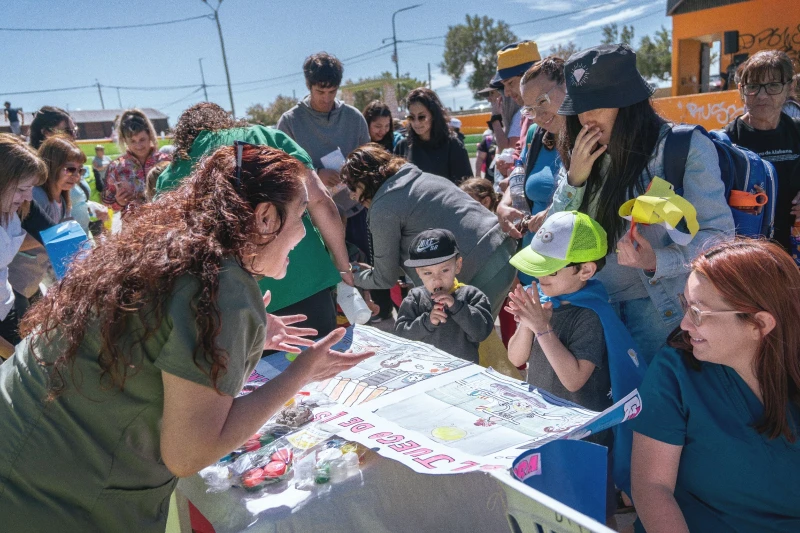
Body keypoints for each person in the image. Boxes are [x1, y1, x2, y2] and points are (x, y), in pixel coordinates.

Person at [0, 144, 375, 532]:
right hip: (51, 501)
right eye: (301, 216)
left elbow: (154, 340)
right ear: (265, 217)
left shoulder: (174, 245)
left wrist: (245, 339)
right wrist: (302, 373)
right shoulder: (224, 287)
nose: (303, 232)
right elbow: (189, 453)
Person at [550, 44, 734, 364]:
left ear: (630, 103)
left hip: (660, 315)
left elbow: (719, 237)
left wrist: (657, 260)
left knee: (655, 409)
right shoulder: (580, 158)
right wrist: (574, 181)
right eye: (580, 107)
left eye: (599, 105)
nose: (587, 117)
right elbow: (553, 242)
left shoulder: (683, 147)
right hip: (593, 310)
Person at [630, 240, 800, 533]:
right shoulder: (677, 369)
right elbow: (652, 486)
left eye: (698, 312)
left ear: (759, 324)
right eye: (686, 305)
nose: (684, 324)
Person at [156, 102, 350, 338]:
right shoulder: (262, 136)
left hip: (230, 307)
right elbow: (319, 200)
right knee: (319, 368)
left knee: (261, 376)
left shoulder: (170, 175)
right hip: (305, 284)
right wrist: (343, 266)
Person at [505, 211, 618, 522]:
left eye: (550, 271)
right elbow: (516, 358)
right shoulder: (545, 301)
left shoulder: (590, 314)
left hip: (584, 440)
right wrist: (528, 323)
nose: (540, 278)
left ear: (585, 269)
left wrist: (542, 328)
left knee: (590, 516)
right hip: (546, 430)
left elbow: (573, 380)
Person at [342, 143, 516, 317]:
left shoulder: (382, 206)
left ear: (365, 180)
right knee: (478, 336)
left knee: (458, 339)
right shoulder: (422, 177)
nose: (352, 196)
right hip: (502, 250)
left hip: (476, 269)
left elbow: (384, 278)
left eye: (352, 187)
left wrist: (352, 274)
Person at [277, 52, 371, 256]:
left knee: (362, 274)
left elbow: (369, 163)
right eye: (320, 91)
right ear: (308, 86)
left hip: (355, 213)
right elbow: (282, 171)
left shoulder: (354, 118)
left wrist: (353, 174)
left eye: (332, 91)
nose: (327, 98)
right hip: (311, 221)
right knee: (327, 284)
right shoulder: (290, 122)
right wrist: (317, 174)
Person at [497, 56, 566, 287]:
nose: (539, 114)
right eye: (530, 109)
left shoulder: (591, 137)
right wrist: (504, 205)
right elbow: (520, 171)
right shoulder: (537, 134)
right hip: (531, 268)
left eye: (543, 101)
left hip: (569, 276)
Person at [723, 50, 800, 252]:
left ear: (789, 87)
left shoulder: (798, 131)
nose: (762, 95)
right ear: (741, 90)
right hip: (752, 258)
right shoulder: (727, 142)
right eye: (753, 87)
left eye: (773, 85)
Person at [395, 229, 494, 363]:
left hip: (462, 372)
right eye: (428, 273)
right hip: (424, 369)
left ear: (457, 265)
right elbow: (400, 336)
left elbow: (481, 333)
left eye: (444, 270)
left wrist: (457, 307)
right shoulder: (415, 298)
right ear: (418, 272)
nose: (437, 279)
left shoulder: (472, 295)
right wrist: (426, 322)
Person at [0, 135, 46, 359]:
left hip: (6, 308)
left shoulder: (10, 212)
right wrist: (12, 357)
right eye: (21, 189)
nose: (28, 196)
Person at [394, 88, 472, 184]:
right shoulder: (402, 147)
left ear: (434, 115)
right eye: (411, 117)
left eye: (422, 117)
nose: (416, 122)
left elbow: (466, 187)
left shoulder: (453, 146)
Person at [102, 109, 171, 212]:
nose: (138, 145)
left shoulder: (167, 161)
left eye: (142, 139)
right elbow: (106, 205)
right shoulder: (116, 167)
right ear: (125, 140)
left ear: (150, 136)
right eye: (132, 141)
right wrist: (119, 202)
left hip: (166, 224)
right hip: (133, 226)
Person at [488, 41, 541, 152]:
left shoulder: (562, 110)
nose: (506, 93)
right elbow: (523, 154)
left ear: (531, 75)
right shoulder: (526, 117)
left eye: (510, 83)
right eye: (504, 86)